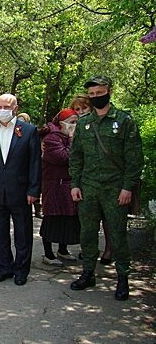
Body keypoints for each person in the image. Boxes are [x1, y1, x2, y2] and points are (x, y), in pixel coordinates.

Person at [69, 75, 144, 300]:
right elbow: (76, 157)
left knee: (118, 234)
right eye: (92, 95)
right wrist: (75, 184)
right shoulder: (84, 122)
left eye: (99, 93)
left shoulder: (123, 120)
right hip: (88, 188)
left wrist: (127, 187)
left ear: (109, 91)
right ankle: (88, 273)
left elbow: (134, 158)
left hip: (115, 189)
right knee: (88, 233)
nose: (95, 97)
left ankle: (122, 278)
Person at [0, 93, 41, 286]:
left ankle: (21, 270)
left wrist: (33, 191)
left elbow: (35, 164)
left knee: (22, 233)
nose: (3, 110)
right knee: (0, 232)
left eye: (7, 107)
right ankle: (4, 267)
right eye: (0, 107)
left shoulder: (29, 131)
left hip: (21, 192)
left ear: (15, 108)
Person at [70, 94, 112, 264]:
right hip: (86, 182)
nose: (80, 112)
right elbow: (75, 158)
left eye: (84, 108)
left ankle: (110, 249)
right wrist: (75, 183)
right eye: (77, 109)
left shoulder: (111, 122)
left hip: (110, 183)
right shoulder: (78, 126)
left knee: (109, 219)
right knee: (88, 222)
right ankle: (88, 256)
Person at [40, 108, 80, 267]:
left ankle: (62, 249)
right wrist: (71, 140)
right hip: (54, 186)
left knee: (68, 218)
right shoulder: (51, 139)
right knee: (52, 219)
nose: (75, 125)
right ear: (62, 123)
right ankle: (48, 254)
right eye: (72, 122)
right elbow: (64, 158)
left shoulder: (68, 137)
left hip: (68, 186)